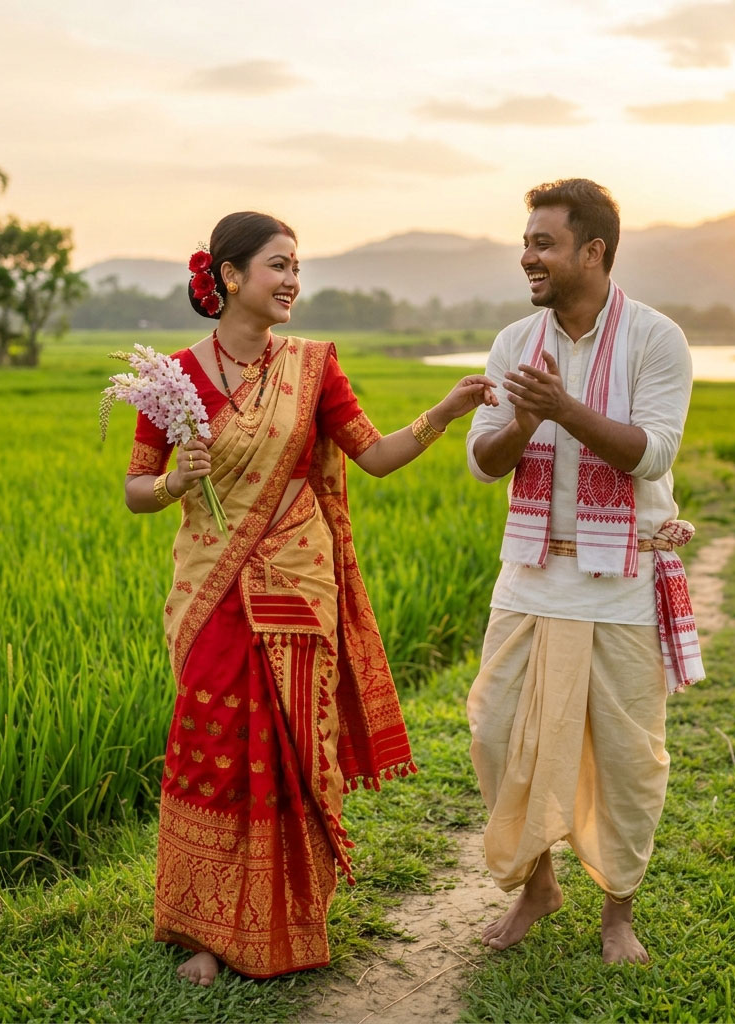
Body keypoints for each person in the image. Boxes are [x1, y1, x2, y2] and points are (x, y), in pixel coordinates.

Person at [123, 211, 496, 986]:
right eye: (278, 266)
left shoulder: (315, 365)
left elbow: (377, 457)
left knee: (291, 752)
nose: (294, 281)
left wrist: (446, 412)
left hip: (296, 587)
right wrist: (175, 483)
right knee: (214, 750)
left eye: (298, 267)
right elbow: (135, 490)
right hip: (210, 590)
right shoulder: (171, 379)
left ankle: (288, 916)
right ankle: (202, 929)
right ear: (229, 275)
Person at [465, 179, 705, 965]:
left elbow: (653, 452)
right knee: (496, 734)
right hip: (530, 574)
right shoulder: (514, 344)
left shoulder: (656, 339)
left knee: (629, 761)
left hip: (624, 580)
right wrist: (528, 419)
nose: (527, 255)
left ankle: (617, 916)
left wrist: (564, 410)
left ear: (592, 252)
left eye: (544, 242)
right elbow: (483, 461)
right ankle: (537, 885)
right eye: (527, 241)